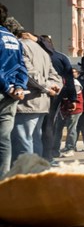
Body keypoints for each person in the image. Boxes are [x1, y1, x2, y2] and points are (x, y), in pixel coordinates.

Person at [6, 20, 61, 163]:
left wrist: (48, 87)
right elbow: (54, 75)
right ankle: (36, 173)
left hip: (26, 103)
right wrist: (53, 86)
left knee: (23, 142)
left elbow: (29, 74)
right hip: (41, 102)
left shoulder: (19, 46)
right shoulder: (40, 49)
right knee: (35, 139)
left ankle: (27, 176)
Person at [37, 34, 76, 161]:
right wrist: (72, 98)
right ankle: (48, 155)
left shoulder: (37, 56)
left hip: (36, 93)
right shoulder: (61, 57)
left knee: (35, 125)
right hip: (55, 94)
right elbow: (69, 79)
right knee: (49, 124)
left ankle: (37, 154)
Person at [0, 4, 27, 176]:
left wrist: (7, 86)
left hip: (4, 89)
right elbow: (22, 67)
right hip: (11, 96)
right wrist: (18, 86)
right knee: (4, 139)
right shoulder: (14, 39)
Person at [55, 67, 83, 157]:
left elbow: (70, 95)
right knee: (58, 128)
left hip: (74, 108)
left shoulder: (74, 83)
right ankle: (56, 148)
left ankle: (70, 148)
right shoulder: (63, 81)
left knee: (71, 129)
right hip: (63, 109)